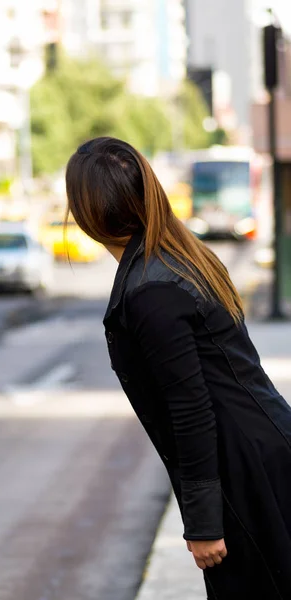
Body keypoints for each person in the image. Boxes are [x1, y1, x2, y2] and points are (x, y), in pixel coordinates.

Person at [65, 137, 291, 600]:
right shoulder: (177, 256)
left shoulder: (152, 289)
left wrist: (203, 522)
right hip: (260, 451)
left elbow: (191, 407)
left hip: (245, 473)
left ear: (86, 214)